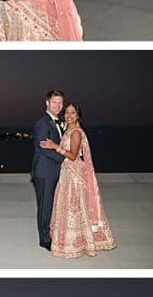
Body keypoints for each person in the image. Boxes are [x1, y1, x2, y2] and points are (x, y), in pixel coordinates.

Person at [40, 103, 117, 258]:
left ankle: (77, 243)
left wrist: (54, 146)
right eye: (67, 113)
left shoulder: (76, 132)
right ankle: (70, 241)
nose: (69, 115)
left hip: (74, 176)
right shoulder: (68, 130)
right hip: (67, 173)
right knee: (68, 209)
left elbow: (73, 155)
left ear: (78, 115)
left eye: (73, 113)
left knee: (73, 209)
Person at [31, 90, 66, 251]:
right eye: (54, 102)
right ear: (47, 103)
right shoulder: (42, 123)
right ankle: (44, 239)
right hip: (44, 172)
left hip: (53, 170)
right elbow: (44, 150)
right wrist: (66, 160)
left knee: (50, 205)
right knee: (45, 206)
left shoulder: (58, 121)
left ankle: (48, 233)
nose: (58, 105)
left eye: (60, 102)